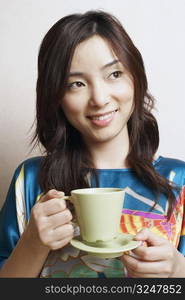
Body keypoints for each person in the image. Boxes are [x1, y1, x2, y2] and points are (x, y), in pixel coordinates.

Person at [0, 10, 185, 278]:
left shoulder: (177, 180)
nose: (99, 98)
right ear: (56, 97)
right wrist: (33, 243)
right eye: (76, 83)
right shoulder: (31, 180)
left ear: (136, 78)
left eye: (114, 74)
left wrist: (178, 271)